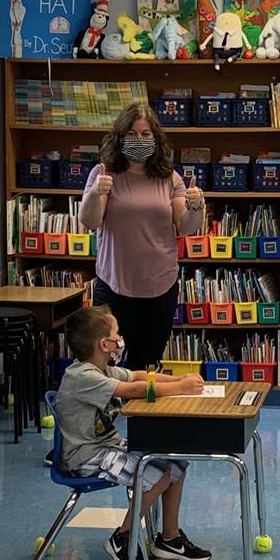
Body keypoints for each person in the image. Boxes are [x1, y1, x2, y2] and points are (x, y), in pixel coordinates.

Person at [56, 304, 210, 560]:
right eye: (117, 334)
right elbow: (134, 389)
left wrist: (179, 380)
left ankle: (169, 539)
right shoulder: (82, 376)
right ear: (104, 344)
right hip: (85, 457)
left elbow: (139, 375)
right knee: (155, 473)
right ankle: (123, 536)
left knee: (174, 463)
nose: (120, 339)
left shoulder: (102, 369)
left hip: (107, 447)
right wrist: (179, 388)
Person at [78, 102, 206, 369]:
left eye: (145, 135)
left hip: (159, 287)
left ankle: (142, 413)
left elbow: (186, 226)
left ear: (155, 138)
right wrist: (96, 193)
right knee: (107, 364)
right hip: (114, 286)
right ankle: (107, 412)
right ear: (120, 137)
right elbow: (89, 221)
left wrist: (196, 205)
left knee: (147, 365)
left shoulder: (170, 178)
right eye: (132, 134)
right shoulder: (103, 174)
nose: (139, 140)